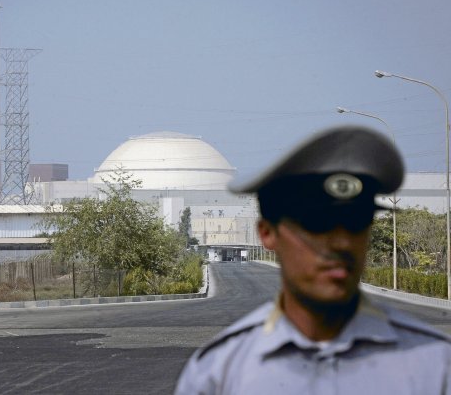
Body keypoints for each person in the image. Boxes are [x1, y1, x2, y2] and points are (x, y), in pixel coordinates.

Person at [175, 125, 451, 394]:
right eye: (317, 224)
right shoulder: (220, 373)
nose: (341, 243)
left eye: (356, 221)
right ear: (268, 234)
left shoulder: (434, 366)